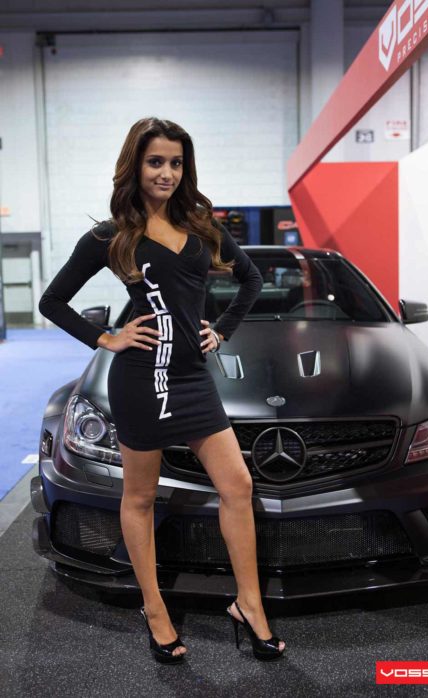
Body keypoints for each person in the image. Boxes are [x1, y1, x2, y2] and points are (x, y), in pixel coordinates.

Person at [38, 117, 286, 664]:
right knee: (141, 497)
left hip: (193, 378)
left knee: (238, 485)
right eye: (156, 162)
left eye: (176, 163)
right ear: (136, 165)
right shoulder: (111, 235)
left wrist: (222, 329)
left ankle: (249, 604)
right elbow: (52, 301)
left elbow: (251, 278)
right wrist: (107, 338)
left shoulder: (201, 225)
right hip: (140, 380)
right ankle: (155, 610)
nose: (166, 173)